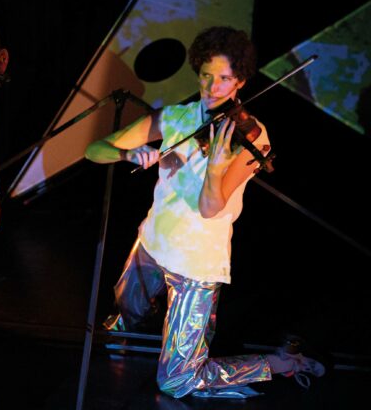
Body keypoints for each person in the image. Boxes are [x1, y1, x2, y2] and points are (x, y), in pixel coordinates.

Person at [85, 26, 324, 398]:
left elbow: (210, 208)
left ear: (240, 81)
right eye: (207, 76)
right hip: (151, 245)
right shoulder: (175, 118)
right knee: (117, 332)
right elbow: (94, 150)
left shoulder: (251, 137)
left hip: (195, 265)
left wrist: (215, 169)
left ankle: (281, 363)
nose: (213, 87)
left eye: (224, 79)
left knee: (176, 381)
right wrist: (127, 153)